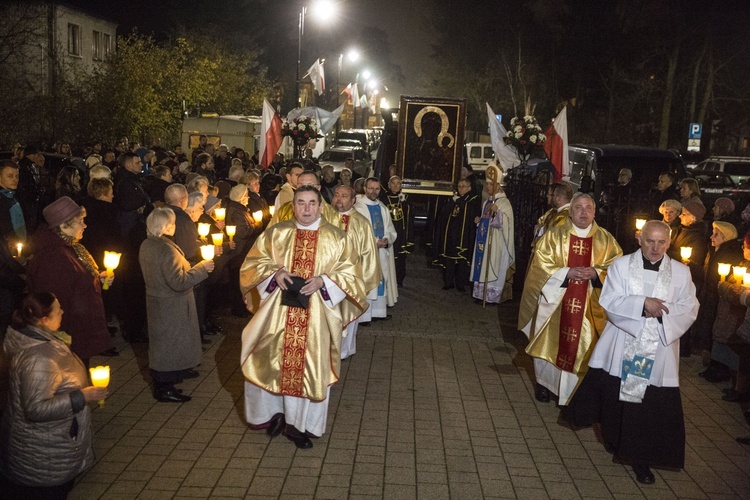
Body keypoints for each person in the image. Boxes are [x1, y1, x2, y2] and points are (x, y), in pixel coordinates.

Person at [566, 220, 699, 485]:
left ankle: (641, 459)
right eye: (650, 241)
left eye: (662, 242)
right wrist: (642, 305)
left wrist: (662, 317)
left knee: (648, 407)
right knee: (617, 400)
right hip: (623, 343)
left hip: (658, 349)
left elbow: (690, 306)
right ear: (639, 238)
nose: (655, 247)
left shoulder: (681, 273)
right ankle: (615, 439)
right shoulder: (622, 265)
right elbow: (609, 301)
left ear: (670, 242)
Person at [239, 186, 366, 449]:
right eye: (300, 203)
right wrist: (274, 273)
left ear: (321, 207)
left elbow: (353, 276)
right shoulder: (277, 233)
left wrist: (324, 281)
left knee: (309, 368)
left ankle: (299, 424)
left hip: (317, 315)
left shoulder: (337, 238)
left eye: (311, 203)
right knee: (270, 362)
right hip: (277, 314)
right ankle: (274, 414)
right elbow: (252, 264)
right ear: (293, 206)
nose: (306, 209)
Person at [0, 292, 108, 499]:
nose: (63, 312)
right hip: (43, 455)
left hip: (48, 447)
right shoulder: (38, 358)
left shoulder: (43, 341)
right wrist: (81, 397)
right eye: (58, 310)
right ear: (44, 320)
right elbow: (36, 409)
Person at [519, 192, 622, 404]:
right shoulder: (554, 236)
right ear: (570, 211)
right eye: (578, 208)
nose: (583, 212)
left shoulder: (606, 239)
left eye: (588, 208)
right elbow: (540, 265)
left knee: (583, 347)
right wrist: (565, 273)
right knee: (549, 342)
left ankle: (576, 392)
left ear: (594, 212)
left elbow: (618, 269)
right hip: (556, 302)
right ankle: (544, 384)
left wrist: (596, 273)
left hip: (590, 306)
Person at [26, 197, 115, 366]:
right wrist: (61, 342)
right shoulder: (52, 257)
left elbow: (76, 280)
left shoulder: (71, 247)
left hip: (78, 334)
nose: (85, 225)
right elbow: (52, 302)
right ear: (63, 225)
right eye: (80, 221)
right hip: (67, 340)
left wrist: (98, 279)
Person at [139, 207, 214, 403]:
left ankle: (174, 373)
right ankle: (164, 387)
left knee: (167, 343)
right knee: (170, 345)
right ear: (164, 226)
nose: (174, 226)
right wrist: (201, 268)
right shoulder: (165, 250)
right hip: (171, 304)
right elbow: (178, 282)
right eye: (171, 223)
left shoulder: (147, 244)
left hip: (158, 302)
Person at [332, 185, 381, 359]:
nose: (339, 198)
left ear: (353, 200)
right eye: (336, 194)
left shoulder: (361, 222)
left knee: (348, 313)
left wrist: (363, 281)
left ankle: (345, 350)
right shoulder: (324, 218)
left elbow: (369, 254)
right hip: (328, 278)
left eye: (344, 196)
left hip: (351, 280)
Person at [693, 221, 741, 382]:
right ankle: (713, 364)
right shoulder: (714, 251)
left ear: (726, 237)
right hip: (710, 296)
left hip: (720, 300)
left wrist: (721, 288)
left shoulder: (730, 254)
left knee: (718, 332)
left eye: (716, 234)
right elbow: (707, 275)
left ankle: (720, 368)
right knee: (710, 329)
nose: (711, 237)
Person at [355, 177, 398, 322]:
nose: (374, 192)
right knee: (367, 282)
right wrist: (374, 242)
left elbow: (390, 229)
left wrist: (386, 239)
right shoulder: (358, 208)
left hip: (381, 252)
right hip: (365, 254)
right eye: (371, 188)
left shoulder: (382, 207)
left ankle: (378, 313)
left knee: (381, 281)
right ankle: (364, 316)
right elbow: (356, 233)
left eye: (377, 189)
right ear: (365, 188)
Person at [470, 165, 515, 304]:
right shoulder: (487, 202)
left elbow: (507, 224)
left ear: (497, 185)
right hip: (483, 242)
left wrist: (497, 213)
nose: (487, 187)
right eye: (487, 184)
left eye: (490, 184)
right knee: (482, 266)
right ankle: (480, 294)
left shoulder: (504, 202)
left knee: (493, 267)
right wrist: (480, 220)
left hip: (497, 244)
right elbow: (485, 221)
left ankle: (491, 297)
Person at [440, 178, 481, 292]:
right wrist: (453, 202)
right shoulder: (454, 199)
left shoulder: (473, 199)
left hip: (464, 235)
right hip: (452, 234)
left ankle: (460, 284)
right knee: (449, 258)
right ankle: (448, 282)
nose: (461, 189)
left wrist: (459, 202)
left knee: (462, 260)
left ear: (469, 188)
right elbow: (445, 213)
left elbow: (470, 212)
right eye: (459, 186)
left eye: (463, 186)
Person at [381, 175, 414, 288]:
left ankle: (399, 280)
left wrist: (404, 202)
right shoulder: (384, 198)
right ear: (389, 185)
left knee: (400, 257)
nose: (395, 186)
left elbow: (410, 214)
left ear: (401, 186)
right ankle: (389, 280)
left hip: (401, 232)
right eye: (393, 183)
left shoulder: (405, 198)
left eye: (398, 183)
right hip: (389, 232)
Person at [531, 182, 572, 249]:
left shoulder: (563, 216)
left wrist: (540, 230)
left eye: (554, 195)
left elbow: (550, 238)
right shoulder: (560, 213)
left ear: (558, 199)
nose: (550, 197)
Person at [0, 160, 26, 246]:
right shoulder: (2, 200)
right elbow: (6, 231)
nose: (15, 180)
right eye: (10, 176)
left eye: (17, 176)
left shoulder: (11, 195)